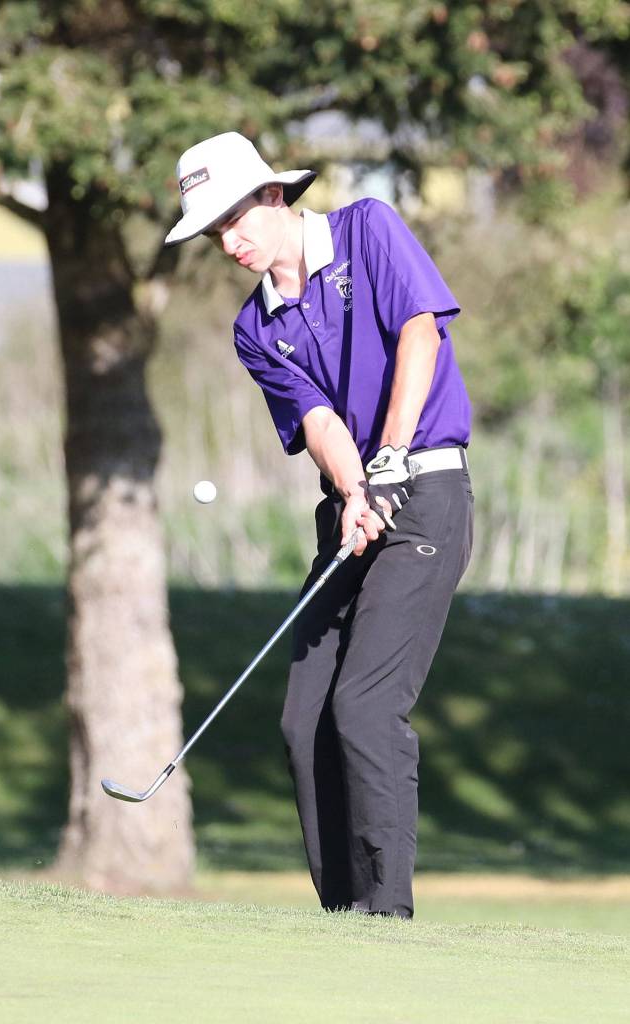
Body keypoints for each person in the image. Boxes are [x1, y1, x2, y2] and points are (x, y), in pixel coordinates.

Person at [165, 132, 474, 918]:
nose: (227, 242)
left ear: (272, 196)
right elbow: (319, 421)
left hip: (427, 492)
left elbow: (419, 334)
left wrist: (394, 456)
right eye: (212, 232)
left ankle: (387, 914)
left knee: (365, 706)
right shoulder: (255, 329)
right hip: (356, 509)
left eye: (233, 219)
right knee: (303, 718)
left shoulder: (368, 229)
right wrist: (354, 490)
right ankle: (344, 917)